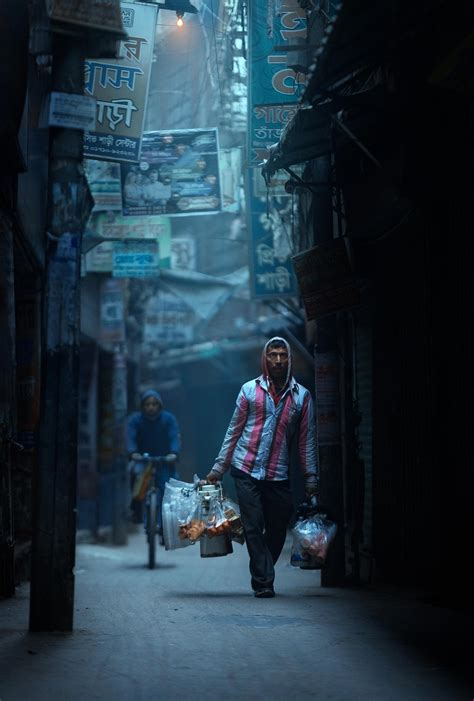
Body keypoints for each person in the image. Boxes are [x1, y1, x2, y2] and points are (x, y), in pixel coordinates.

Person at [205, 336, 319, 598]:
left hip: (278, 474)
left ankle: (261, 567)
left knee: (279, 527)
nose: (278, 360)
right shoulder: (248, 391)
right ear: (264, 359)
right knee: (253, 525)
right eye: (273, 355)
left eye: (283, 355)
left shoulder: (302, 397)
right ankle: (264, 581)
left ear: (290, 358)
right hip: (245, 469)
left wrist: (311, 478)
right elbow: (234, 431)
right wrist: (217, 469)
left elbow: (306, 442)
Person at [127, 389, 181, 544]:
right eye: (147, 404)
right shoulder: (135, 420)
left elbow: (174, 437)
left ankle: (167, 526)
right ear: (143, 406)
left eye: (154, 404)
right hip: (143, 461)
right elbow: (130, 437)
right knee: (135, 478)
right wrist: (132, 452)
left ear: (159, 405)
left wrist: (174, 453)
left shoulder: (168, 419)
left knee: (169, 491)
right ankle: (136, 510)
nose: (151, 407)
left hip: (164, 460)